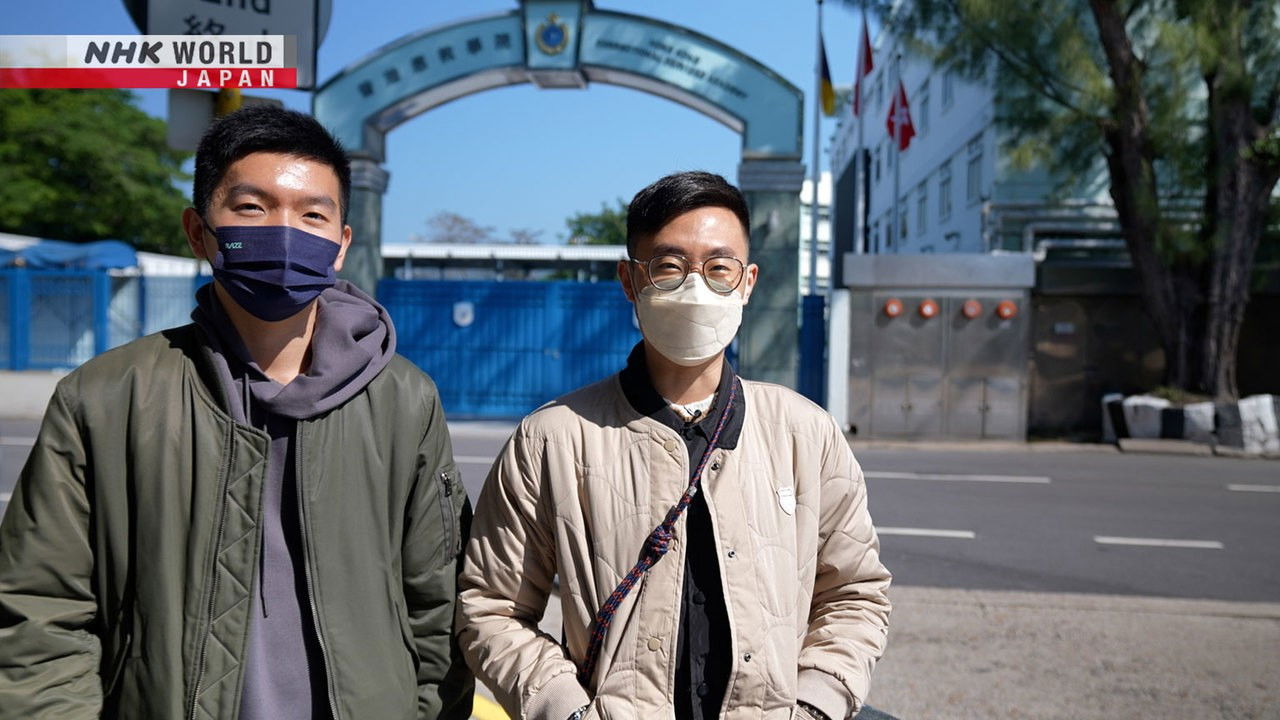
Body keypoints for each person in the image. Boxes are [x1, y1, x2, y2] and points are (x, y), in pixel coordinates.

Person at [0, 106, 473, 720]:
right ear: (199, 232)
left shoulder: (403, 399)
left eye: (312, 214)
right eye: (252, 208)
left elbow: (438, 605)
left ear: (340, 246)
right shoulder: (106, 396)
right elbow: (40, 611)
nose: (285, 231)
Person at [458, 171, 891, 720]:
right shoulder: (552, 438)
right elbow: (491, 609)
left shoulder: (805, 432)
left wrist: (816, 704)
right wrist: (566, 710)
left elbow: (854, 594)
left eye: (719, 267)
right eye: (669, 266)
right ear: (629, 280)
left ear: (748, 281)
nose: (696, 286)